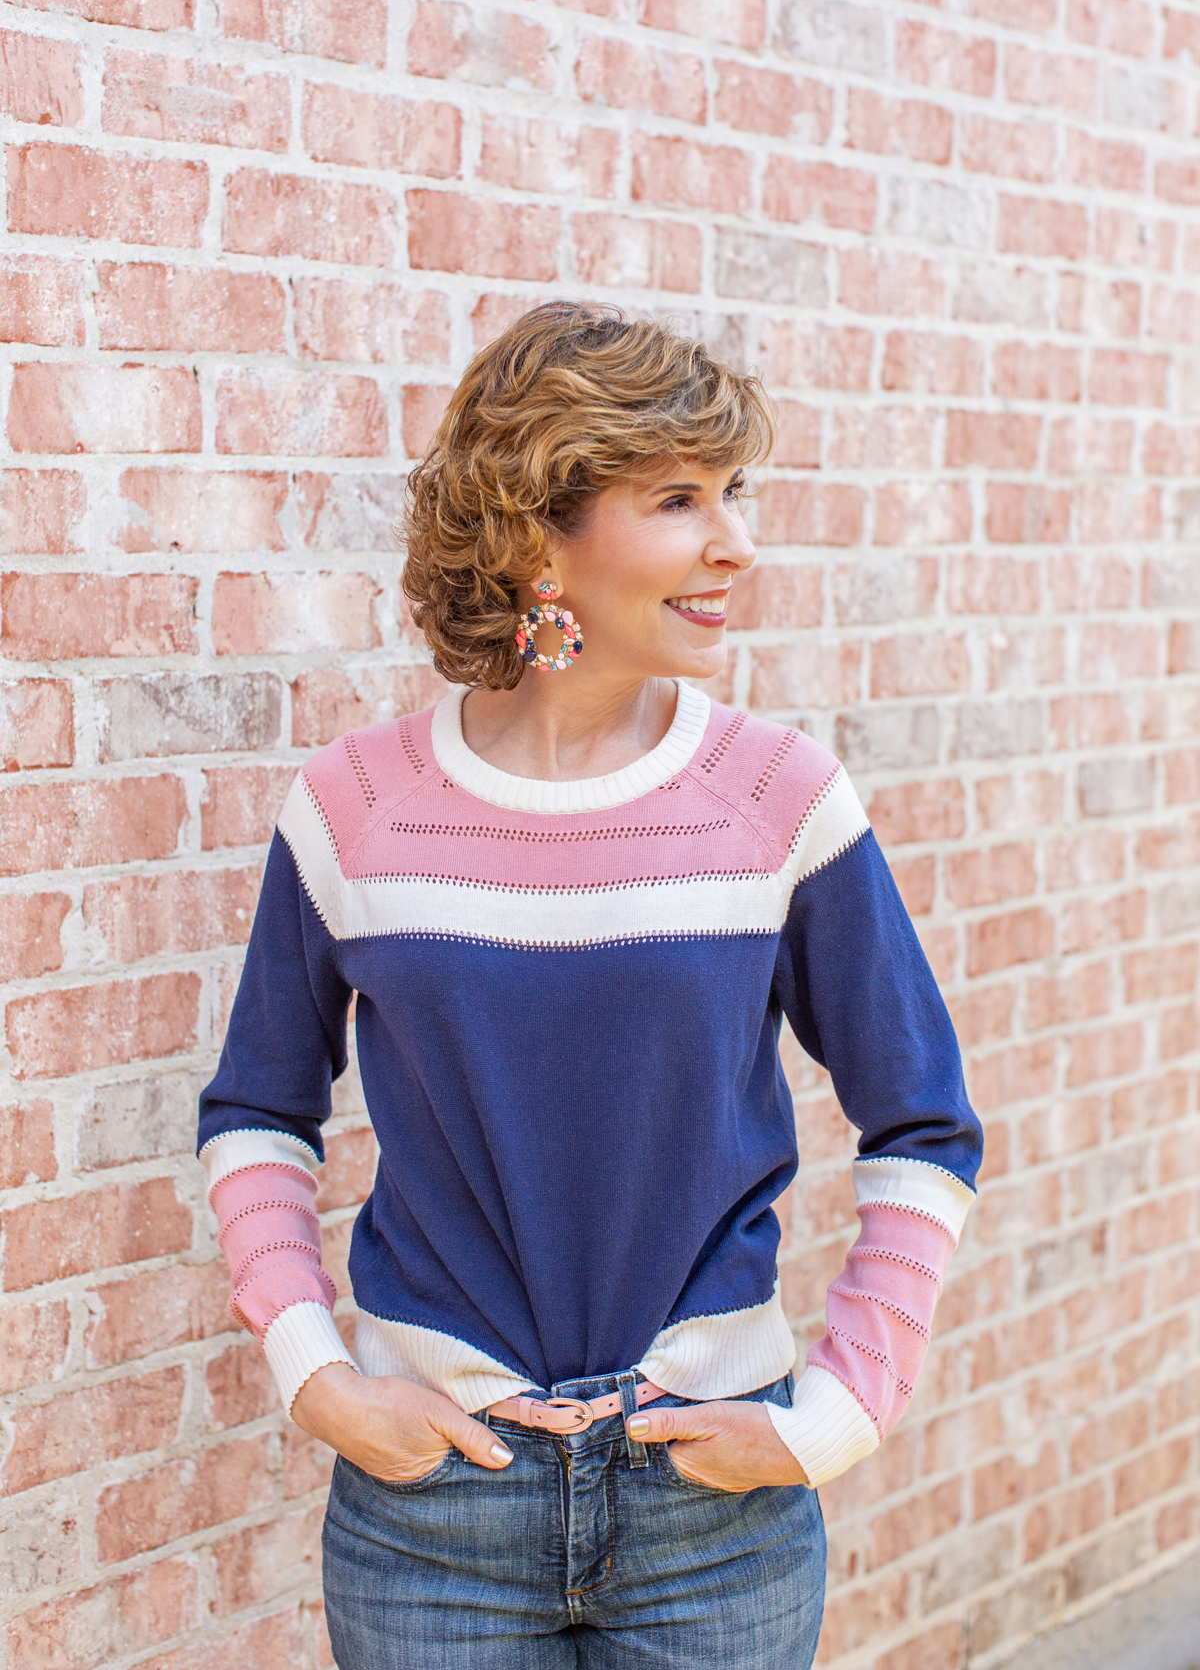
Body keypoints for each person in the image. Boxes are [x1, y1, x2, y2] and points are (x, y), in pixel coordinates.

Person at [197, 301, 982, 1669]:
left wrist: (837, 1414)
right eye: (678, 498)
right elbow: (258, 1113)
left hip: (711, 1512)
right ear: (531, 534)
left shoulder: (779, 797)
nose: (735, 539)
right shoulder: (356, 806)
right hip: (430, 1511)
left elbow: (923, 1127)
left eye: (733, 491)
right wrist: (317, 1378)